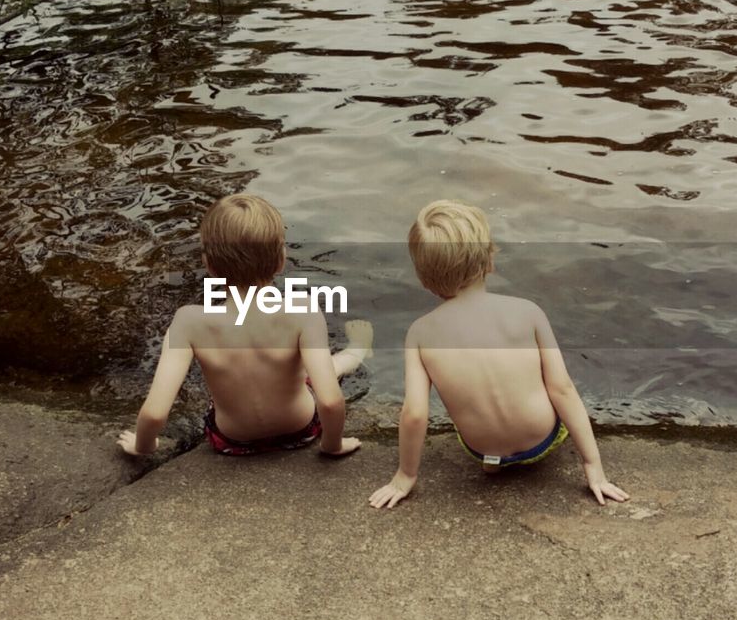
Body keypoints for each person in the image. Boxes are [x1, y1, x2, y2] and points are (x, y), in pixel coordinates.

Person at [368, 199, 630, 509]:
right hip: (542, 441)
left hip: (481, 449)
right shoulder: (527, 312)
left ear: (425, 279)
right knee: (552, 381)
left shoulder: (420, 333)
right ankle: (523, 453)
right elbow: (562, 389)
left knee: (465, 398)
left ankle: (495, 462)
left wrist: (405, 475)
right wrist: (593, 468)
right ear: (490, 260)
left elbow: (414, 414)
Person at [118, 194, 371, 459]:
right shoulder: (303, 309)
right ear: (281, 260)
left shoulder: (189, 321)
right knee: (317, 369)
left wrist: (143, 446)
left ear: (210, 265)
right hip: (301, 431)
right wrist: (333, 445)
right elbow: (330, 401)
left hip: (231, 441)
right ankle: (357, 350)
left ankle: (351, 353)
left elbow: (155, 412)